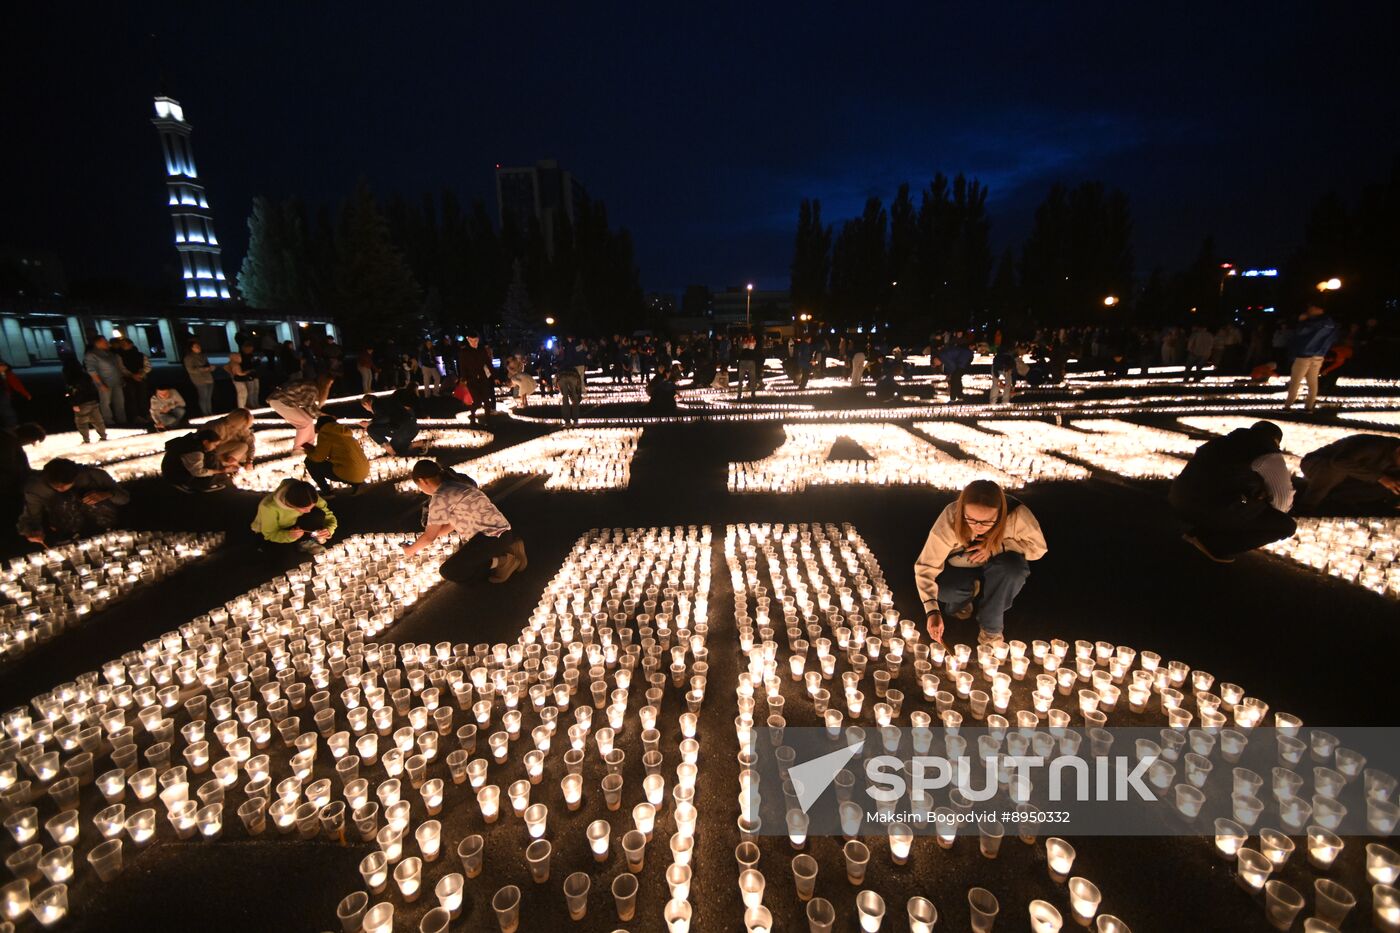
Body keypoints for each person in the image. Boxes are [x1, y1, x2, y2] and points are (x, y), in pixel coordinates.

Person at [914, 480, 1047, 648]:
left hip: (1001, 566)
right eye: (970, 519)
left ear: (1001, 513)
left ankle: (991, 630)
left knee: (1014, 568)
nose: (978, 527)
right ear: (962, 509)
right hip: (961, 568)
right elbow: (925, 567)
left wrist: (996, 546)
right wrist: (932, 611)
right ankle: (965, 596)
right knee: (946, 591)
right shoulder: (951, 517)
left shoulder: (1016, 515)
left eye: (987, 522)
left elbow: (1039, 548)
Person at [1170, 420, 1295, 562]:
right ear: (1276, 441)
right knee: (1285, 526)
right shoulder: (1268, 453)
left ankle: (1200, 532)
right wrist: (1261, 501)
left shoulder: (1222, 442)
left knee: (1232, 499)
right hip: (1211, 509)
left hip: (1178, 501)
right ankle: (1215, 545)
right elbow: (1282, 501)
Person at [404, 460, 526, 584]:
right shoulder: (457, 485)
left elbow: (429, 537)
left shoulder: (441, 496)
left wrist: (410, 550)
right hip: (503, 533)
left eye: (419, 486)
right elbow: (446, 528)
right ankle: (510, 546)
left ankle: (504, 561)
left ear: (423, 481)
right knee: (465, 559)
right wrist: (424, 540)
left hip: (490, 538)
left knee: (450, 571)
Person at [18, 458, 130, 545]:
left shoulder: (95, 476)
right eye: (55, 485)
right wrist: (32, 531)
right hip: (67, 535)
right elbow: (31, 517)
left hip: (106, 528)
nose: (61, 488)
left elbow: (124, 499)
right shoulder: (36, 488)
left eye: (65, 484)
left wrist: (107, 494)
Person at [1298, 435, 1400, 512]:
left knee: (1391, 485)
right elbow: (1339, 461)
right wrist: (1381, 478)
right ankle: (1307, 506)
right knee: (1336, 470)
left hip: (1352, 475)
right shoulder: (1375, 445)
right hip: (1319, 464)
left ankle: (1338, 500)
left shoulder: (1395, 461)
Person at [251, 478, 337, 553]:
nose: (308, 511)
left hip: (296, 525)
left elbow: (328, 516)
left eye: (311, 506)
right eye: (304, 508)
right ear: (291, 505)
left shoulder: (308, 495)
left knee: (318, 513)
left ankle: (305, 542)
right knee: (284, 559)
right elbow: (270, 534)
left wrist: (329, 530)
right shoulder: (268, 507)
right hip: (274, 533)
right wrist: (289, 536)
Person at [1284, 305, 1338, 412]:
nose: (1309, 311)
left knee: (1295, 381)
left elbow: (1301, 333)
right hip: (1319, 355)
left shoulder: (1312, 322)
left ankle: (1287, 406)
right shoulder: (1330, 323)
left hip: (1305, 355)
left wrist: (1301, 321)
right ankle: (1308, 406)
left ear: (1318, 308)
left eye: (1311, 308)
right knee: (1313, 382)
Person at [303, 416, 370, 494]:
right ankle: (357, 483)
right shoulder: (346, 433)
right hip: (364, 471)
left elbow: (318, 458)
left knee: (309, 462)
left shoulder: (326, 434)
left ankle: (327, 492)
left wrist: (309, 451)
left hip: (349, 472)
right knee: (348, 467)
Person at [266, 374, 334, 448]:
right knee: (304, 423)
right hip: (280, 401)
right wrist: (326, 416)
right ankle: (299, 448)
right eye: (329, 385)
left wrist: (323, 415)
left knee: (308, 420)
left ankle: (309, 446)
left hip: (285, 401)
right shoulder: (312, 388)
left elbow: (310, 405)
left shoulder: (311, 386)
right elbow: (310, 408)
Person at [1, 424, 45, 530]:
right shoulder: (8, 441)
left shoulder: (10, 440)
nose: (31, 444)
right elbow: (9, 468)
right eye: (32, 442)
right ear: (28, 437)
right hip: (7, 490)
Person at [161, 429, 233, 492]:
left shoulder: (193, 440)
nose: (215, 447)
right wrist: (220, 471)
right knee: (211, 457)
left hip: (170, 470)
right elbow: (198, 472)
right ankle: (198, 485)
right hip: (175, 475)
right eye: (214, 444)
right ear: (205, 442)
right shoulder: (195, 452)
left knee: (211, 455)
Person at [359, 389, 420, 456]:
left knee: (371, 429)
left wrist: (369, 423)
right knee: (397, 449)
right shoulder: (386, 402)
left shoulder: (376, 404)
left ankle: (389, 448)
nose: (368, 410)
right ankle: (419, 444)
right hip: (413, 428)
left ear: (367, 403)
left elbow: (384, 418)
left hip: (403, 429)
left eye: (366, 408)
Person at [84, 336, 127, 425]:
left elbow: (117, 367)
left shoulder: (110, 354)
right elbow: (92, 371)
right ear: (98, 343)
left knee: (119, 402)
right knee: (105, 403)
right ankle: (108, 421)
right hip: (104, 382)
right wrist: (100, 384)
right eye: (105, 342)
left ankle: (122, 420)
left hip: (116, 381)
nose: (108, 343)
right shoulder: (91, 355)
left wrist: (121, 378)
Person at [456, 332, 496, 423]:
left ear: (478, 340)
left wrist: (495, 376)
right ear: (468, 340)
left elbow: (488, 363)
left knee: (486, 400)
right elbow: (462, 366)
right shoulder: (464, 352)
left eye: (476, 340)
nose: (474, 342)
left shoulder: (482, 350)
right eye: (472, 341)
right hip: (471, 379)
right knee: (477, 401)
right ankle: (472, 414)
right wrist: (463, 378)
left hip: (483, 378)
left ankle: (488, 420)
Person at [65, 359, 107, 443]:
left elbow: (75, 392)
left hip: (82, 403)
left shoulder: (72, 379)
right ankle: (103, 436)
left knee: (81, 422)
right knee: (98, 421)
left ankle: (86, 439)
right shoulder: (86, 376)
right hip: (93, 401)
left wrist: (74, 403)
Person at [206, 408, 257, 474]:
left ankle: (228, 463)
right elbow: (209, 448)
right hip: (211, 451)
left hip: (226, 450)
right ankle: (224, 465)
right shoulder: (218, 427)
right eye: (243, 425)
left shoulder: (242, 428)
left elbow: (250, 443)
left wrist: (249, 461)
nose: (244, 428)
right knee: (242, 447)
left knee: (245, 453)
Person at [116, 337, 153, 427]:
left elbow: (147, 365)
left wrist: (141, 373)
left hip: (141, 378)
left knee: (143, 396)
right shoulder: (119, 356)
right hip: (128, 380)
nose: (123, 346)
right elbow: (121, 368)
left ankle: (145, 414)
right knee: (131, 398)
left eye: (125, 344)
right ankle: (135, 416)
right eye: (121, 344)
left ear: (131, 344)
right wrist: (132, 375)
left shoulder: (140, 355)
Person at [183, 340, 217, 416]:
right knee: (203, 396)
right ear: (191, 348)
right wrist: (204, 369)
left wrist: (211, 368)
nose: (198, 348)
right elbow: (191, 370)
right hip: (199, 379)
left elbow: (207, 365)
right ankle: (205, 412)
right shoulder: (189, 358)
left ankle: (209, 412)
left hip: (208, 378)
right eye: (196, 347)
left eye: (199, 346)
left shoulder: (203, 355)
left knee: (208, 397)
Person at [557, 339, 585, 425]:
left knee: (565, 398)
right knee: (574, 397)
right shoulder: (575, 347)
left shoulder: (561, 351)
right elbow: (578, 386)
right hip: (572, 375)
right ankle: (575, 420)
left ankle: (567, 422)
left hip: (562, 375)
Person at [227, 345, 260, 410]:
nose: (240, 358)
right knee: (242, 393)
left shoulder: (235, 364)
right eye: (238, 357)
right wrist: (246, 372)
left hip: (241, 379)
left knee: (244, 393)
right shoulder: (234, 364)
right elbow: (239, 373)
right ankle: (242, 407)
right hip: (239, 380)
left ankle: (244, 406)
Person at [0, 360, 31, 430]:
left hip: (3, 395)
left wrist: (25, 393)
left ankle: (12, 427)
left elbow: (16, 384)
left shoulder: (7, 374)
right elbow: (16, 384)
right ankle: (12, 428)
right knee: (6, 412)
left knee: (6, 411)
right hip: (3, 395)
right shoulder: (7, 374)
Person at [735, 335, 761, 399]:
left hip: (743, 362)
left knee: (740, 379)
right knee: (752, 379)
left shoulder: (743, 349)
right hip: (751, 361)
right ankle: (753, 393)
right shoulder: (752, 349)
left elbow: (739, 354)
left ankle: (739, 394)